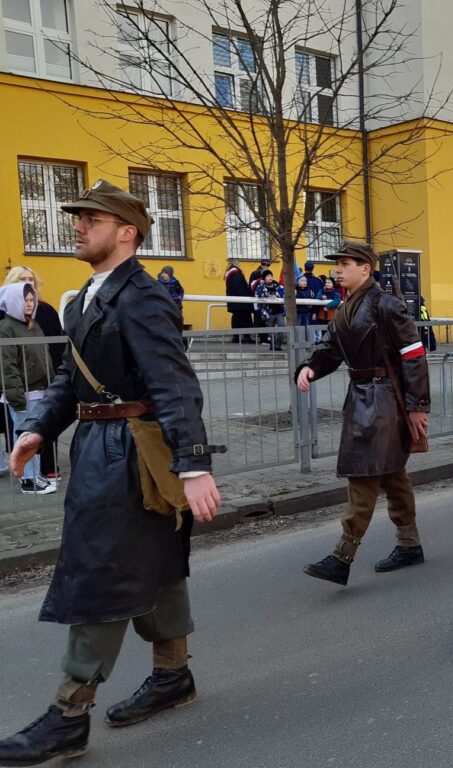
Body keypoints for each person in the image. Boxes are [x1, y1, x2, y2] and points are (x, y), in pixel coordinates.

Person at [0, 180, 221, 765]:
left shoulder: (143, 297)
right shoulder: (89, 296)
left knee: (102, 573)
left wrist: (195, 466)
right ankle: (173, 675)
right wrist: (38, 429)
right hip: (105, 447)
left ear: (127, 232)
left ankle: (69, 714)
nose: (77, 225)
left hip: (131, 453)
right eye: (77, 217)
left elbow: (175, 385)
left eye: (90, 218)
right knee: (155, 562)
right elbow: (75, 381)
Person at [296, 242, 431, 585]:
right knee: (392, 473)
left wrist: (417, 408)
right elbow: (330, 349)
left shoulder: (386, 305)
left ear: (366, 269)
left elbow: (414, 356)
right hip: (363, 398)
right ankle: (409, 544)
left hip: (383, 401)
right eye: (337, 264)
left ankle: (342, 557)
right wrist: (310, 367)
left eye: (344, 264)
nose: (337, 270)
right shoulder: (345, 308)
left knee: (365, 475)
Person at [4, 267, 64, 481]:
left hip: (42, 382)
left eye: (31, 280)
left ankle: (44, 469)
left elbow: (55, 349)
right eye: (22, 279)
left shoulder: (44, 313)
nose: (27, 283)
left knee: (44, 424)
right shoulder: (6, 319)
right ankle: (25, 474)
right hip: (15, 385)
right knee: (19, 427)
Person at [224, 257, 254, 342]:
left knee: (236, 318)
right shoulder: (236, 273)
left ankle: (236, 336)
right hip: (241, 301)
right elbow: (240, 287)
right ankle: (246, 337)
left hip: (234, 301)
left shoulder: (229, 273)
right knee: (245, 318)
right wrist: (247, 295)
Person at [255, 272, 285, 350]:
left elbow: (283, 294)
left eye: (271, 276)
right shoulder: (261, 286)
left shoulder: (277, 285)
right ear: (264, 278)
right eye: (268, 276)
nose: (270, 278)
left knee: (282, 327)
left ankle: (278, 344)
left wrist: (276, 296)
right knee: (270, 330)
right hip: (268, 312)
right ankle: (272, 345)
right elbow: (258, 296)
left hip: (279, 311)